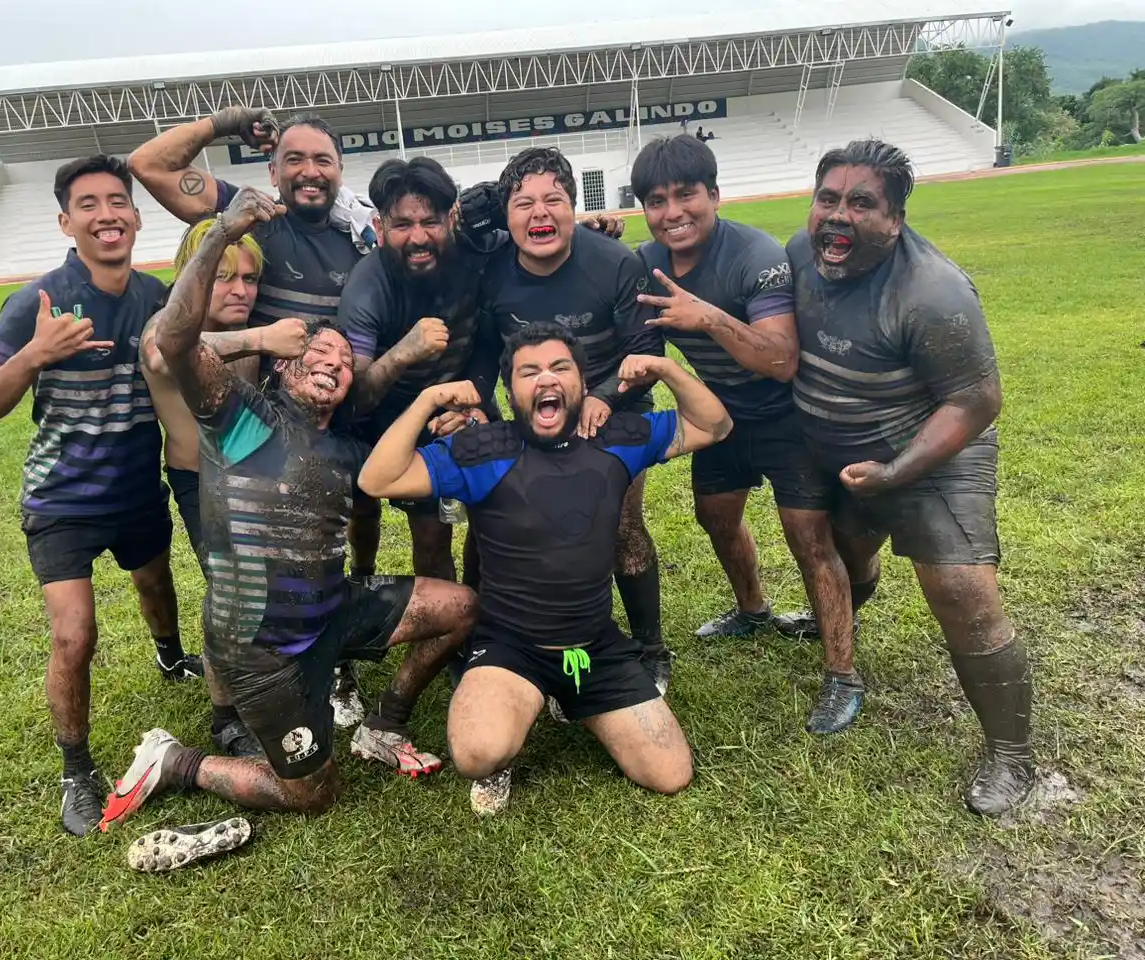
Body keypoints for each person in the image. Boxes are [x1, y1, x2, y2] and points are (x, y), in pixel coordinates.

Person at [98, 186, 477, 829]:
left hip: (334, 610)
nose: (331, 363)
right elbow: (175, 338)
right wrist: (222, 232)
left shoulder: (348, 449)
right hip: (263, 648)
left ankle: (384, 722)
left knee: (462, 606)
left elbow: (408, 468)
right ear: (279, 368)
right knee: (310, 793)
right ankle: (176, 761)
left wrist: (449, 424)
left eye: (343, 361)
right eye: (315, 353)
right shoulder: (241, 419)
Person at [358, 323, 732, 814]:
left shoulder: (615, 437)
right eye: (528, 372)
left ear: (582, 382)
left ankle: (572, 698)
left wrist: (665, 370)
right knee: (478, 753)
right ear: (510, 392)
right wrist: (428, 399)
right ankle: (514, 724)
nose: (546, 379)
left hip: (594, 646)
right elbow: (377, 478)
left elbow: (714, 426)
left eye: (560, 368)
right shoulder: (483, 450)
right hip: (511, 647)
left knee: (670, 774)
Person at [786, 138, 1034, 815]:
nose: (838, 215)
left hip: (930, 453)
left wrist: (897, 471)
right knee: (844, 553)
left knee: (960, 591)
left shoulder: (932, 292)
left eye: (861, 204)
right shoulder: (800, 255)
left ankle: (1011, 754)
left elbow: (976, 400)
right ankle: (837, 625)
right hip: (847, 454)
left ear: (894, 220)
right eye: (828, 199)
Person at [0, 155, 201, 837]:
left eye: (117, 201)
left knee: (155, 582)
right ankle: (77, 770)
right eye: (88, 204)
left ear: (136, 216)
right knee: (75, 634)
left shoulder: (156, 298)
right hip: (62, 498)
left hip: (137, 487)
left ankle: (170, 655)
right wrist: (34, 354)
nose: (106, 215)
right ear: (67, 223)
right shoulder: (37, 302)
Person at [129, 108, 373, 725]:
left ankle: (325, 665)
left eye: (323, 160)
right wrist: (230, 121)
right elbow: (147, 165)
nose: (309, 172)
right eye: (294, 159)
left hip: (298, 443)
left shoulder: (355, 232)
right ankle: (230, 716)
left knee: (311, 566)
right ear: (271, 170)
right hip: (225, 456)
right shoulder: (252, 219)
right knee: (235, 588)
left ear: (341, 170)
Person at [630, 135, 859, 734]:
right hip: (722, 417)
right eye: (657, 201)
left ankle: (842, 674)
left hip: (787, 415)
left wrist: (706, 316)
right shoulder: (645, 262)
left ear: (714, 194)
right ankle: (753, 610)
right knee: (715, 517)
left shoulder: (756, 255)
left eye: (686, 195)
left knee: (809, 538)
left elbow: (782, 360)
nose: (673, 212)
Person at [475, 147, 671, 696]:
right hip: (532, 418)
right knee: (498, 524)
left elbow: (647, 350)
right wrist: (481, 408)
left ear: (574, 205)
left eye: (553, 200)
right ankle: (492, 641)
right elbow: (481, 353)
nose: (540, 213)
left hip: (612, 410)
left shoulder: (615, 263)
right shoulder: (491, 271)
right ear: (507, 216)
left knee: (621, 526)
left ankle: (650, 647)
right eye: (524, 203)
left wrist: (602, 397)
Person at [140, 220, 309, 758]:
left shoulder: (249, 334)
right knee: (231, 596)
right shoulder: (166, 327)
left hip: (257, 482)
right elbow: (165, 350)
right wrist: (261, 338)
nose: (241, 290)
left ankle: (280, 679)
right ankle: (225, 718)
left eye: (250, 279)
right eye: (224, 278)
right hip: (201, 484)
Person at [338, 157, 504, 584]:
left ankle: (481, 608)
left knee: (492, 518)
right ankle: (438, 617)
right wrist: (402, 353)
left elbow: (490, 338)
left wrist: (474, 400)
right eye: (402, 225)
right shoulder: (368, 286)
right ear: (379, 228)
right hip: (398, 416)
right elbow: (356, 398)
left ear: (451, 219)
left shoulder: (478, 252)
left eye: (430, 222)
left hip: (469, 398)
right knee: (430, 536)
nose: (418, 238)